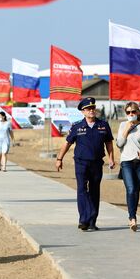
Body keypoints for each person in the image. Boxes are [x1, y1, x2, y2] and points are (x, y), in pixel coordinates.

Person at [55, 97, 115, 231]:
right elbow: (67, 143)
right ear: (83, 111)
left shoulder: (103, 125)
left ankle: (92, 221)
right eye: (88, 109)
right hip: (81, 163)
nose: (91, 111)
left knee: (94, 191)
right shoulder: (77, 126)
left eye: (93, 108)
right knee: (82, 189)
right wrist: (59, 158)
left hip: (97, 163)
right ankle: (83, 219)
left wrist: (111, 158)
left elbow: (109, 143)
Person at [116, 101, 140, 232]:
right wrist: (126, 129)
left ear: (138, 113)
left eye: (133, 112)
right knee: (130, 189)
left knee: (136, 190)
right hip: (126, 161)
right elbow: (119, 144)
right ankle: (132, 218)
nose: (131, 114)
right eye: (128, 112)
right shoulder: (122, 125)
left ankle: (133, 214)